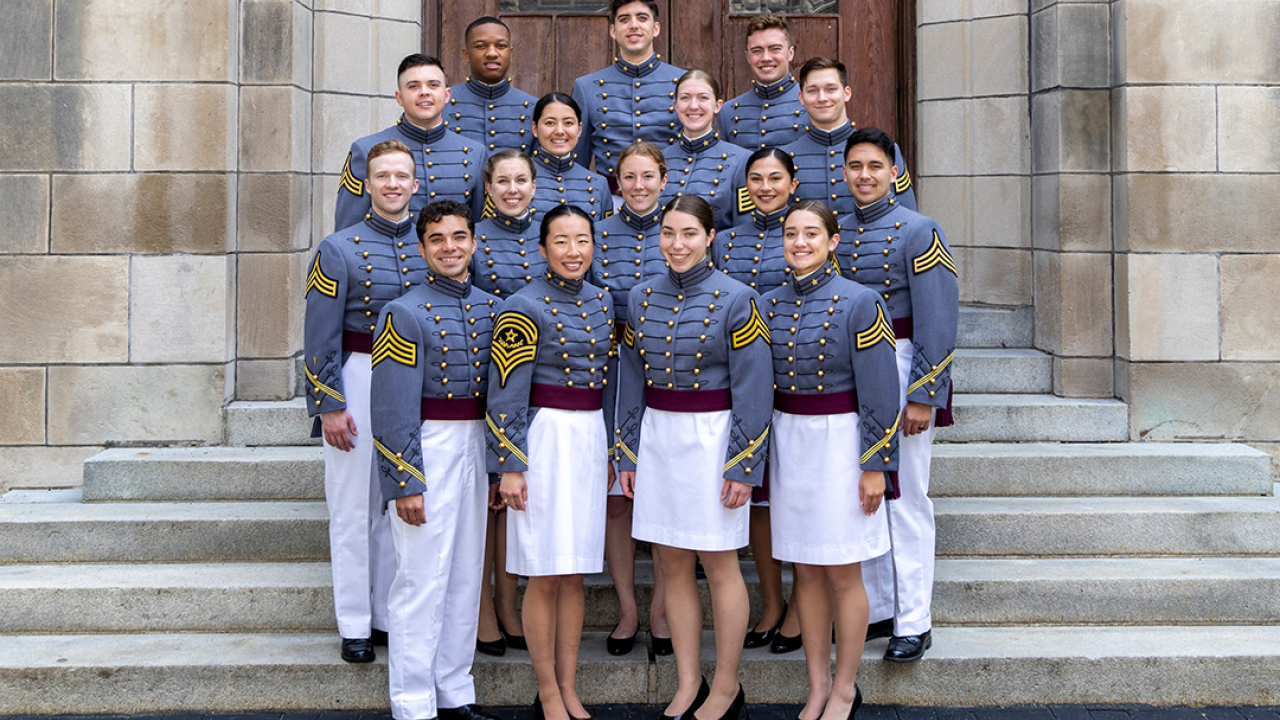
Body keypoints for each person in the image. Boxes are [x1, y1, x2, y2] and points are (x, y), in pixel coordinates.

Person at [617, 195, 772, 720]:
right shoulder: (639, 298)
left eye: (688, 233)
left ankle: (726, 686)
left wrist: (743, 464)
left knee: (722, 565)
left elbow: (754, 388)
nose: (676, 244)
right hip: (659, 440)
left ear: (710, 237)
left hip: (714, 439)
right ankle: (688, 682)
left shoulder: (739, 298)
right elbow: (632, 381)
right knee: (671, 564)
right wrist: (628, 451)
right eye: (667, 233)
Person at [762, 200, 901, 720]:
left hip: (842, 445)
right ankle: (816, 685)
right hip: (790, 443)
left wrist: (875, 465)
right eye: (792, 234)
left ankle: (846, 686)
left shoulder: (861, 302)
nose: (800, 243)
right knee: (807, 572)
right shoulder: (769, 304)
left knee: (843, 572)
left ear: (833, 241)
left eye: (812, 234)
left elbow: (881, 391)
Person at [370, 199, 504, 720]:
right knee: (420, 577)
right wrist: (403, 479)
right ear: (422, 248)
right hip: (429, 445)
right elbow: (392, 405)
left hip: (476, 446)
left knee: (467, 574)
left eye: (458, 237)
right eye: (437, 240)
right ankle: (412, 701)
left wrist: (496, 465)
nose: (450, 248)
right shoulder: (402, 312)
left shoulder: (494, 309)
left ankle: (454, 691)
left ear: (473, 242)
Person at [487, 205, 616, 720]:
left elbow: (609, 384)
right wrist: (510, 465)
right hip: (541, 441)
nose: (573, 252)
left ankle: (569, 685)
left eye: (582, 240)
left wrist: (612, 449)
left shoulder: (604, 302)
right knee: (542, 572)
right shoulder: (520, 305)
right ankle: (546, 691)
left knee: (576, 573)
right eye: (561, 242)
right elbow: (504, 395)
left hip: (587, 439)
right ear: (542, 250)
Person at [835, 127, 958, 663]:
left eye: (874, 167)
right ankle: (881, 607)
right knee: (866, 495)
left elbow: (938, 315)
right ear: (844, 172)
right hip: (854, 372)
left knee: (906, 497)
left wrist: (925, 393)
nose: (865, 176)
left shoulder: (919, 229)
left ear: (893, 172)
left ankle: (915, 619)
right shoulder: (835, 230)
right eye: (855, 166)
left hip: (904, 364)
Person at [304, 139, 428, 663]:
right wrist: (328, 403)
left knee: (396, 503)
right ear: (368, 183)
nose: (393, 184)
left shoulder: (432, 243)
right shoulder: (338, 247)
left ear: (415, 184)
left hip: (414, 384)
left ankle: (385, 617)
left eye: (402, 176)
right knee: (353, 506)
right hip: (357, 377)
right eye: (383, 176)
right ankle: (354, 621)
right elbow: (318, 333)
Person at [713, 147, 803, 655]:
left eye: (776, 178)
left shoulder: (805, 229)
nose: (766, 187)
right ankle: (772, 603)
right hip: (740, 379)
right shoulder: (725, 242)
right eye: (756, 179)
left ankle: (804, 602)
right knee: (762, 500)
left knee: (796, 494)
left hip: (794, 376)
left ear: (793, 183)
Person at [592, 141, 673, 657]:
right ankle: (626, 609)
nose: (639, 186)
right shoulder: (596, 235)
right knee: (616, 502)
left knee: (664, 497)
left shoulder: (679, 230)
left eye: (648, 176)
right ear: (616, 183)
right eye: (629, 177)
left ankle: (663, 610)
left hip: (669, 369)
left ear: (664, 180)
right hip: (608, 371)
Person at [335, 54, 487, 231]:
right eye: (413, 86)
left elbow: (480, 230)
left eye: (433, 85)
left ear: (447, 95)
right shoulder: (365, 149)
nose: (424, 92)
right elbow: (348, 230)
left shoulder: (476, 153)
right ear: (399, 97)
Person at [780, 57, 916, 221]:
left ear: (846, 93)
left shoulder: (886, 150)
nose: (822, 98)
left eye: (831, 89)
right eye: (812, 91)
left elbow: (907, 217)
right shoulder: (783, 157)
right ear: (801, 97)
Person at [571, 0, 685, 181]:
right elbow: (577, 163)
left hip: (671, 198)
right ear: (613, 31)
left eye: (642, 18)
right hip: (610, 202)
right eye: (624, 19)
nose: (633, 25)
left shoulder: (684, 82)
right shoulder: (586, 87)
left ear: (655, 28)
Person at [661, 70, 751, 231]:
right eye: (685, 98)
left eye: (703, 98)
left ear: (717, 106)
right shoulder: (659, 159)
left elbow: (744, 229)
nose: (693, 106)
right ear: (675, 105)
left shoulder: (742, 161)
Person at [446, 17, 538, 153]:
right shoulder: (442, 103)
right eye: (481, 46)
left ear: (510, 53)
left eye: (501, 46)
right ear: (466, 55)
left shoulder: (534, 107)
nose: (492, 53)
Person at [719, 15, 808, 149]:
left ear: (790, 53)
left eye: (775, 49)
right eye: (757, 51)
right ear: (748, 57)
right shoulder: (728, 112)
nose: (766, 58)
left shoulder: (812, 104)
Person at [529, 93, 614, 222]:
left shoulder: (598, 184)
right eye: (550, 123)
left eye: (568, 123)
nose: (559, 131)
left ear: (580, 129)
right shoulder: (516, 177)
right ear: (535, 129)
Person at [473, 149, 545, 299]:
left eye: (521, 180)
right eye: (502, 181)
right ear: (489, 188)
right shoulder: (472, 237)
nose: (512, 190)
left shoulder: (550, 234)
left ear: (533, 186)